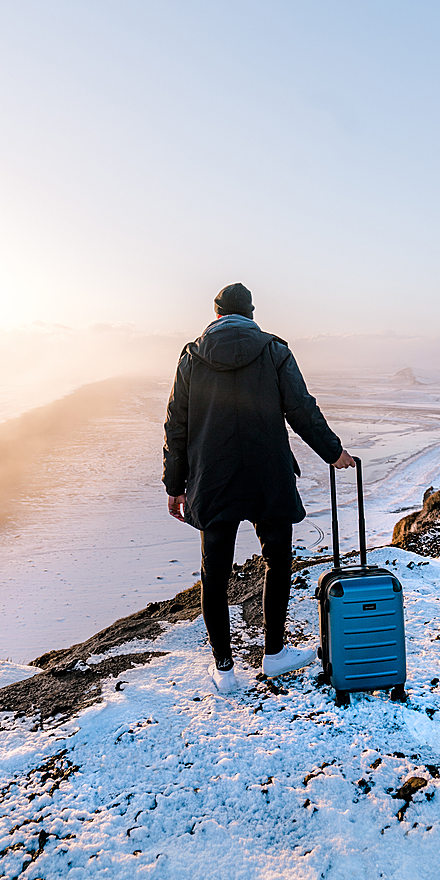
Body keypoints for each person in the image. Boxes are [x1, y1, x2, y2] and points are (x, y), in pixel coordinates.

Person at [163, 282, 355, 693]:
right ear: (251, 314)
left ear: (216, 315)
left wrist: (175, 485)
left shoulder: (192, 358)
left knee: (214, 574)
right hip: (268, 474)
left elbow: (176, 425)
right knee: (278, 562)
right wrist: (333, 452)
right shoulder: (273, 350)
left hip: (212, 480)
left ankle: (225, 669)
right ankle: (273, 653)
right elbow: (301, 408)